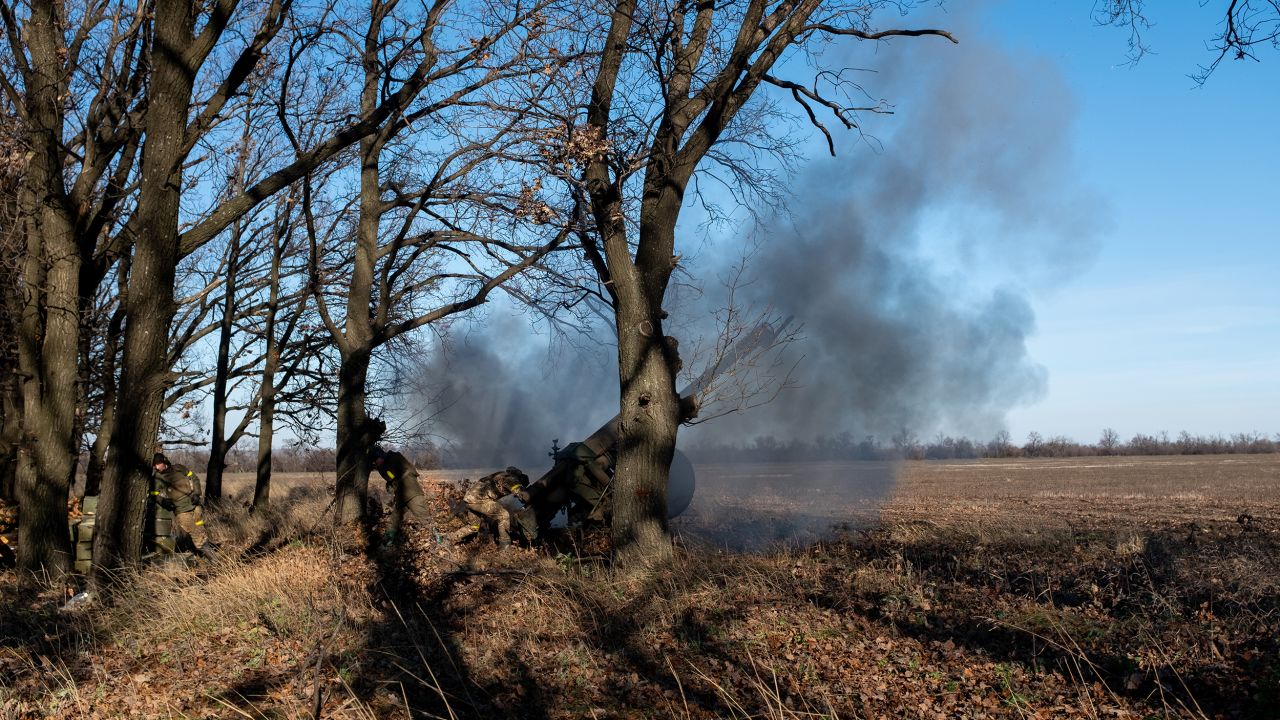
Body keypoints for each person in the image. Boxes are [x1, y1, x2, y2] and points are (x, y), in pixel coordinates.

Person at [151, 453, 216, 559]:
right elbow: (153, 493)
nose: (156, 467)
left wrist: (197, 493)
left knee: (200, 528)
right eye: (154, 465)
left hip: (195, 506)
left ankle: (204, 555)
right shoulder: (158, 478)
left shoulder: (179, 468)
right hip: (181, 510)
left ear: (164, 461)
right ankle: (215, 560)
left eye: (158, 464)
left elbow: (193, 477)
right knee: (196, 533)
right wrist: (163, 501)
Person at [448, 466, 530, 548]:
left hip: (469, 499)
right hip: (479, 500)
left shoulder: (500, 474)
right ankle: (505, 548)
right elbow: (522, 494)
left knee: (473, 527)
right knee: (503, 515)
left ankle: (448, 539)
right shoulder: (511, 479)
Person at [371, 446, 431, 543]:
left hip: (412, 492)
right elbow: (391, 477)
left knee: (424, 517)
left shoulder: (395, 457)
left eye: (376, 460)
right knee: (394, 519)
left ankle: (438, 540)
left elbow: (411, 470)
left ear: (380, 456)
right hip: (400, 495)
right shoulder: (382, 467)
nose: (375, 463)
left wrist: (398, 480)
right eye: (374, 462)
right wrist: (390, 484)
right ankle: (388, 541)